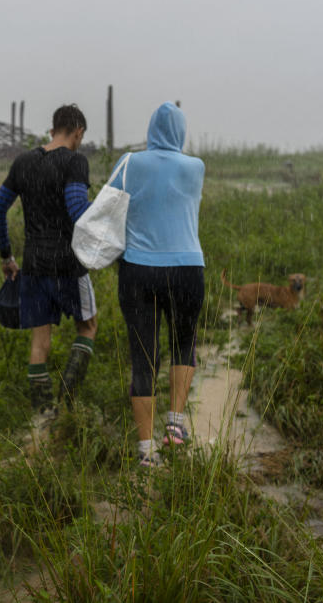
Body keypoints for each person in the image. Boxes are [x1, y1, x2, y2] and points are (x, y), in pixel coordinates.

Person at [112, 102, 205, 467]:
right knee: (184, 345)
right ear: (181, 132)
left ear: (151, 130)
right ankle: (176, 426)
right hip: (187, 269)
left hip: (138, 271)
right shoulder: (196, 167)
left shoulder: (129, 163)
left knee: (143, 357)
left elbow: (108, 205)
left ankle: (147, 450)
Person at [0, 104, 97, 416]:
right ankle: (68, 403)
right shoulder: (75, 161)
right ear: (77, 132)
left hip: (33, 265)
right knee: (88, 326)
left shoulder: (23, 162)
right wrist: (106, 219)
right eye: (80, 137)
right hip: (69, 265)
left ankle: (42, 418)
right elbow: (77, 209)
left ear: (53, 130)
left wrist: (7, 256)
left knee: (40, 343)